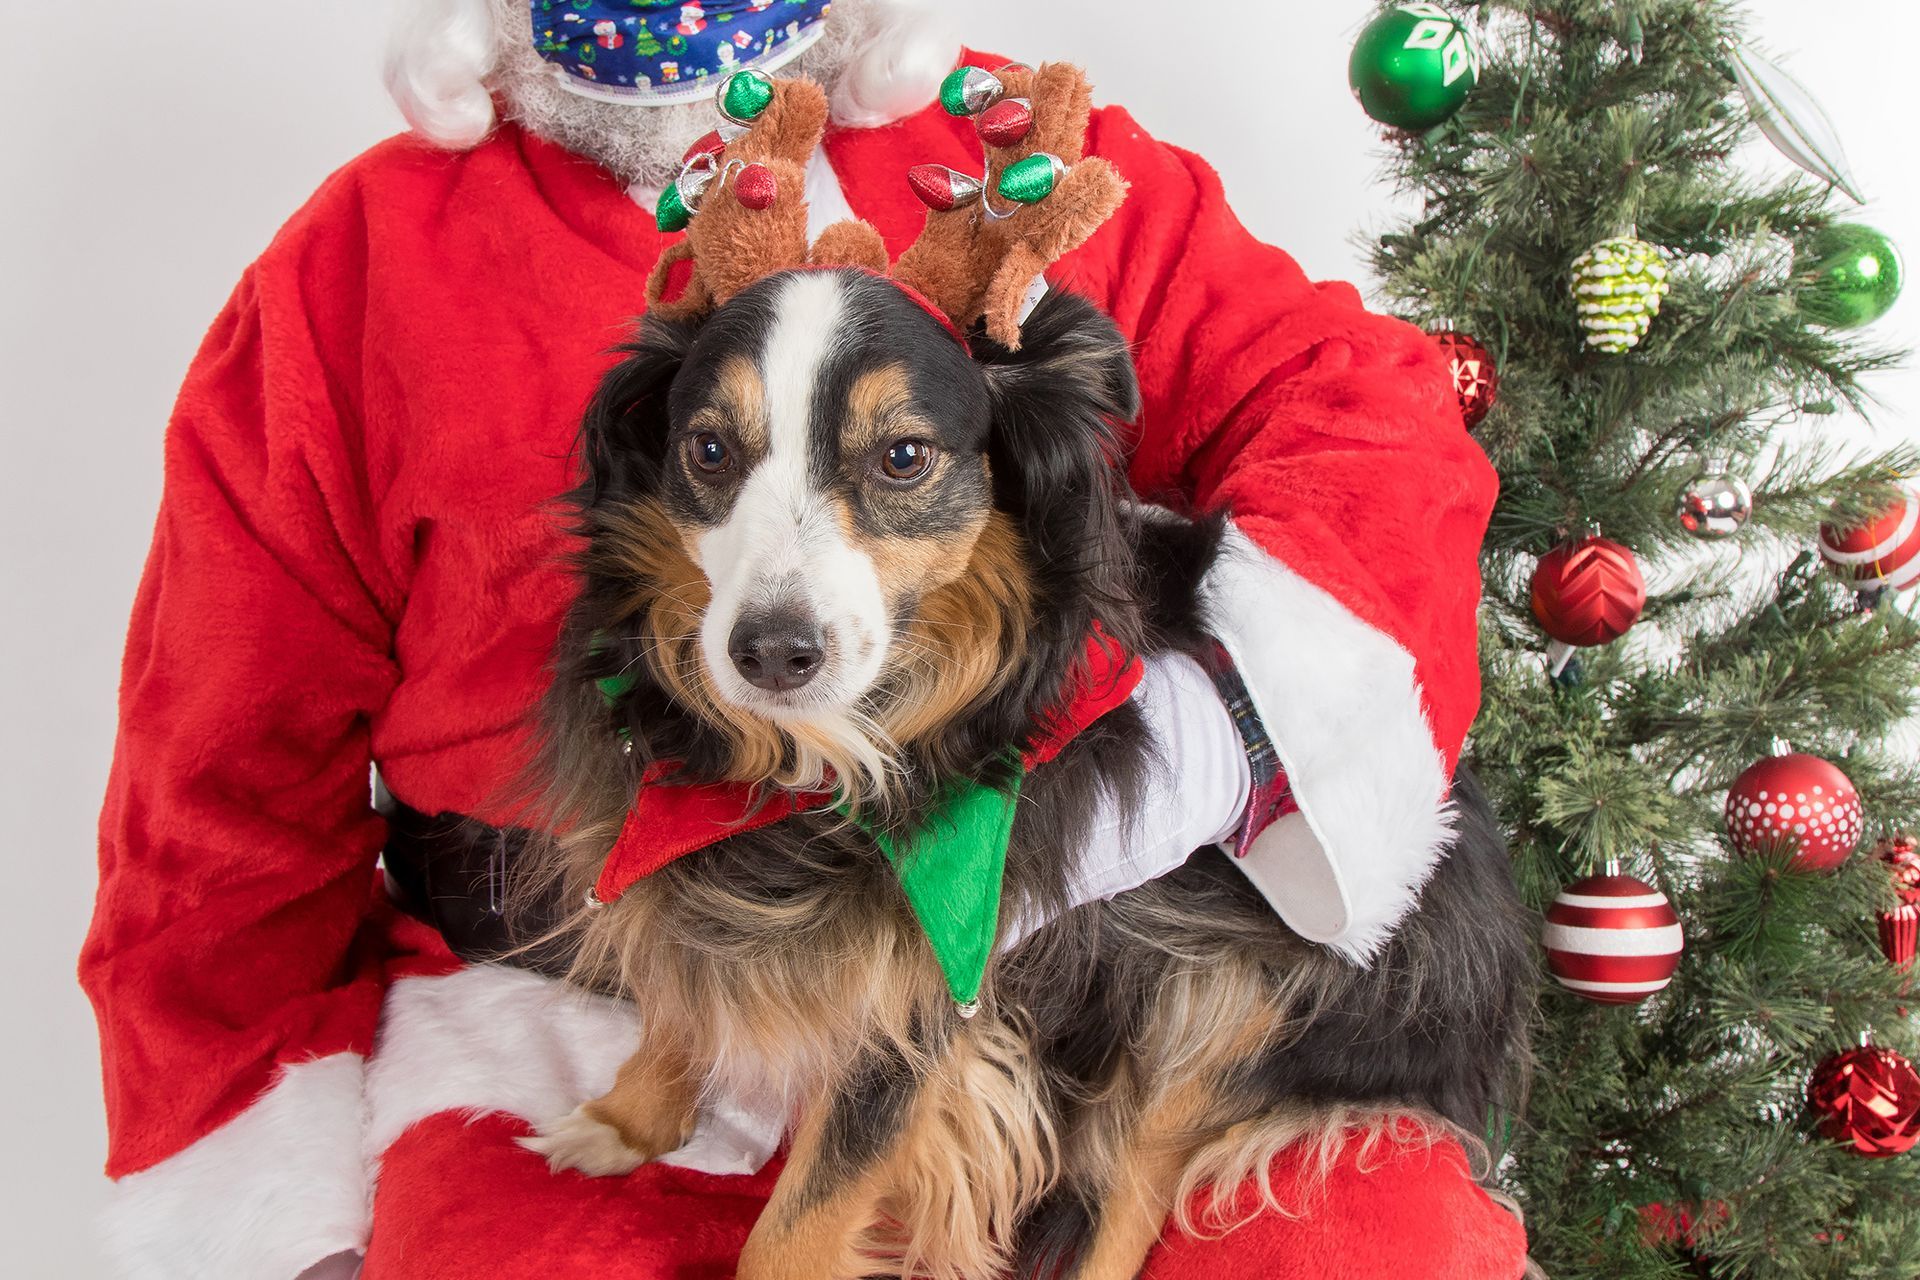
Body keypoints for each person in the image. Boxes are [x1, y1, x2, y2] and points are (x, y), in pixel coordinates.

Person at [81, 2, 1520, 1276]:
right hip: (561, 996)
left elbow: (1364, 412)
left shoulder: (1014, 159)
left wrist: (1215, 750)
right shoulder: (357, 262)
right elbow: (216, 783)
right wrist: (279, 1213)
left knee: (1376, 1252)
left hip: (1082, 979)